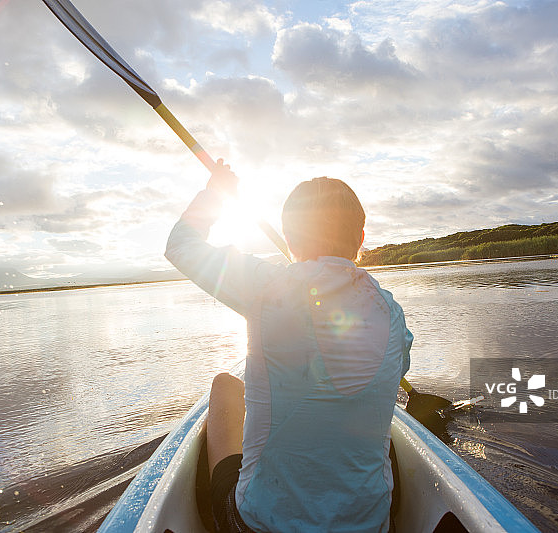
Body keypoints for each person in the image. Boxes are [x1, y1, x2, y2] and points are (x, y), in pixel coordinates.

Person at [165, 159, 412, 533]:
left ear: (291, 238)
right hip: (372, 526)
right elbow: (397, 369)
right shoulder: (393, 313)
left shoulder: (267, 286)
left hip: (261, 525)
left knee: (225, 386)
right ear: (360, 237)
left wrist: (215, 192)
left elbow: (181, 244)